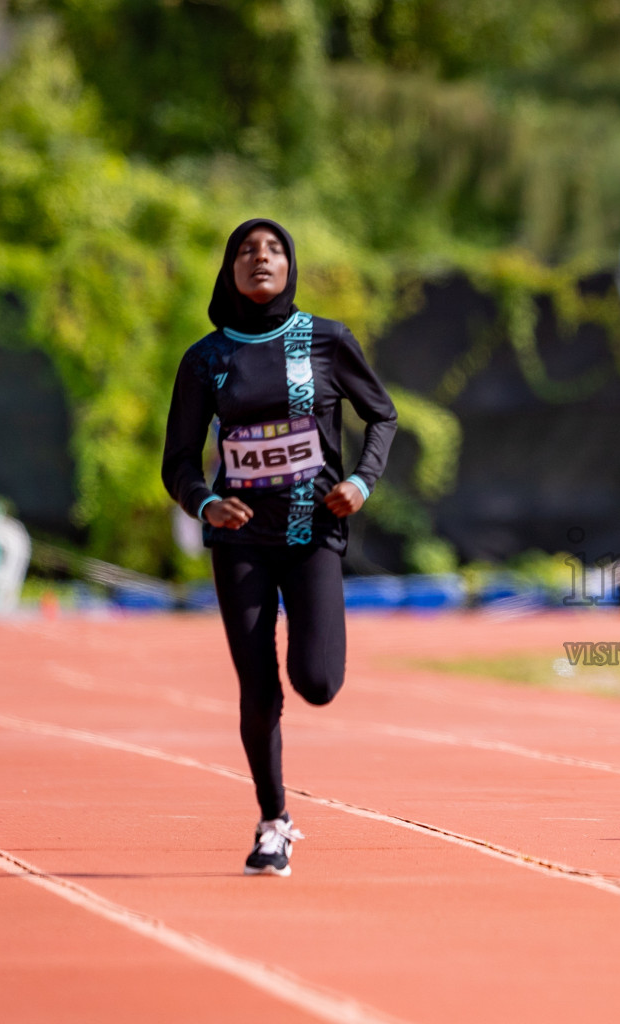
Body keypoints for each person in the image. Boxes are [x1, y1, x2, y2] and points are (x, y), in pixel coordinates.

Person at [162, 219, 398, 874]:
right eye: (246, 250)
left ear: (291, 266)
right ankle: (273, 821)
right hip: (239, 539)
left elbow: (382, 413)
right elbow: (178, 461)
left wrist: (360, 480)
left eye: (273, 250)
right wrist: (205, 501)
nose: (260, 258)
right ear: (229, 270)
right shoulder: (206, 359)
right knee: (257, 685)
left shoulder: (326, 340)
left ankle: (282, 791)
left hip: (312, 530)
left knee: (316, 682)